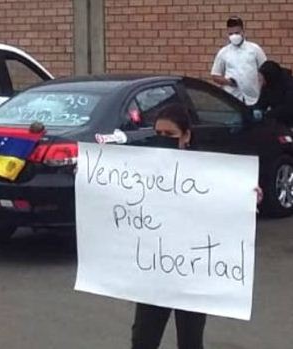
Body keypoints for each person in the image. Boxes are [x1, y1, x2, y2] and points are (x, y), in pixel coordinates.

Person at [131, 104, 262, 349]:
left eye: (169, 135)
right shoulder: (143, 168)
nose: (163, 141)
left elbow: (225, 202)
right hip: (153, 270)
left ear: (186, 136)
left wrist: (247, 197)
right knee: (143, 339)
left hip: (192, 272)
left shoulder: (207, 173)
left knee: (190, 341)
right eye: (158, 134)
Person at [211, 16, 267, 106]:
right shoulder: (223, 52)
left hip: (253, 99)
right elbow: (215, 75)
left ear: (243, 32)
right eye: (231, 34)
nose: (234, 36)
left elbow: (266, 70)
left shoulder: (254, 49)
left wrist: (262, 89)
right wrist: (229, 82)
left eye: (237, 33)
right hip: (232, 99)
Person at [255, 60, 293, 126]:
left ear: (269, 75)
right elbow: (262, 102)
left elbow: (288, 107)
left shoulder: (289, 84)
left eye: (262, 78)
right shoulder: (268, 84)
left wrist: (267, 114)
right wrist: (255, 110)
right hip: (279, 121)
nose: (260, 81)